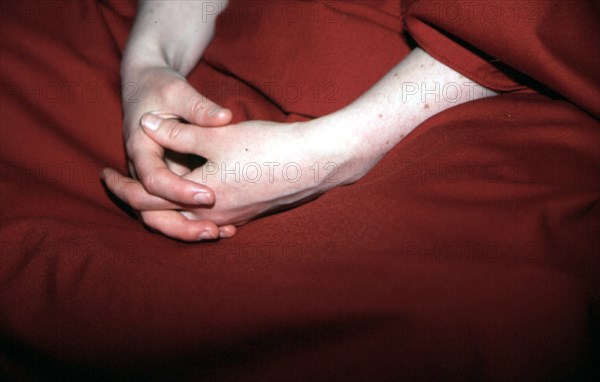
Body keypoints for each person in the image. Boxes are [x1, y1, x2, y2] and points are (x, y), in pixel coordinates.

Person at [102, 0, 497, 241]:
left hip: (440, 89)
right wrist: (147, 66)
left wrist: (328, 154)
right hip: (225, 40)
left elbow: (515, 23)